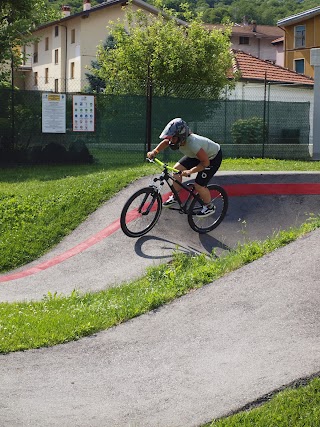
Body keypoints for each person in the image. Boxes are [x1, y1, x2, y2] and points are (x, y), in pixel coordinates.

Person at [147, 117, 222, 217]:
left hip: (212, 158)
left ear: (181, 136)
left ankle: (209, 207)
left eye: (173, 138)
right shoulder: (178, 140)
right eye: (171, 138)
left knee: (199, 185)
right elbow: (165, 142)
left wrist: (190, 171)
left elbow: (205, 163)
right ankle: (175, 196)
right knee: (176, 169)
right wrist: (154, 152)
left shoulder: (192, 143)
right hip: (195, 155)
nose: (171, 141)